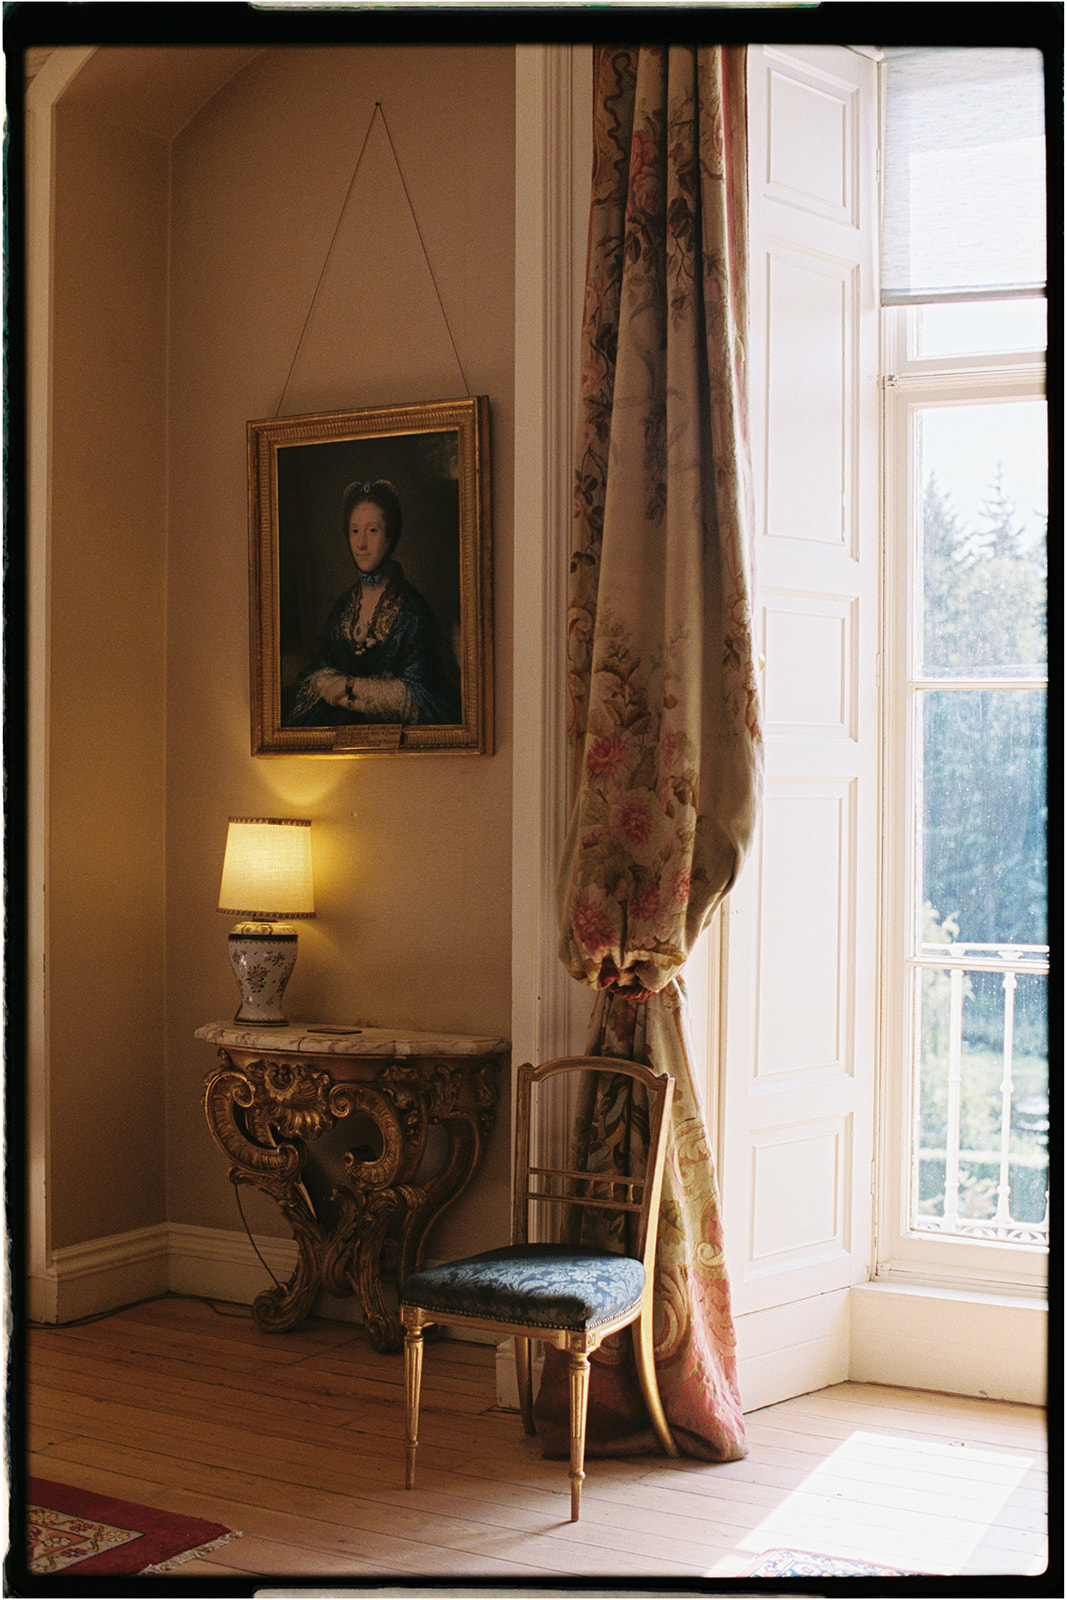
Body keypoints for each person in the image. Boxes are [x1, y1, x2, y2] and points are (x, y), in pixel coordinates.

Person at [283, 478, 460, 727]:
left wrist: (351, 687)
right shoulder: (344, 606)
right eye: (355, 531)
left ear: (390, 537)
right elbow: (319, 669)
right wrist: (340, 695)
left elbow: (422, 694)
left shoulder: (412, 611)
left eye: (372, 530)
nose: (361, 544)